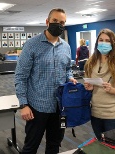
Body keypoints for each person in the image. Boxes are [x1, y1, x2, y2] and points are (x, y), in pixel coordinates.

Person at [15, 8, 77, 154]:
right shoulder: (32, 45)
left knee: (54, 145)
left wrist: (70, 77)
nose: (59, 24)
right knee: (31, 146)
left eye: (62, 22)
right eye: (55, 21)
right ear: (47, 22)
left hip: (60, 106)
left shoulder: (66, 47)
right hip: (37, 107)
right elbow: (20, 76)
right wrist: (23, 104)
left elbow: (68, 68)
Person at [84, 28, 115, 140]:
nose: (103, 43)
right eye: (101, 40)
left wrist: (113, 90)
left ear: (113, 43)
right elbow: (90, 87)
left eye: (107, 40)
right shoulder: (91, 63)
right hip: (96, 113)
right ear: (97, 42)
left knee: (114, 148)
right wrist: (90, 88)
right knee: (102, 146)